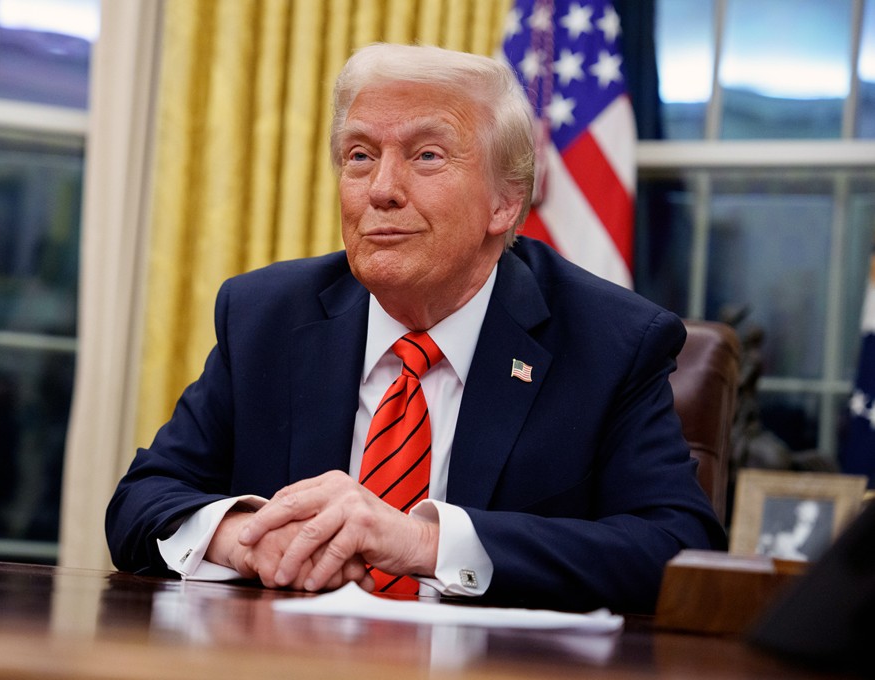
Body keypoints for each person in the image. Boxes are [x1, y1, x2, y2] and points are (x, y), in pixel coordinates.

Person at [106, 43, 727, 614]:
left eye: (427, 156)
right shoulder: (267, 315)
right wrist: (244, 537)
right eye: (359, 156)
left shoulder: (610, 342)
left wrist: (420, 542)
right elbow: (141, 500)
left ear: (504, 202)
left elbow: (677, 551)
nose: (381, 190)